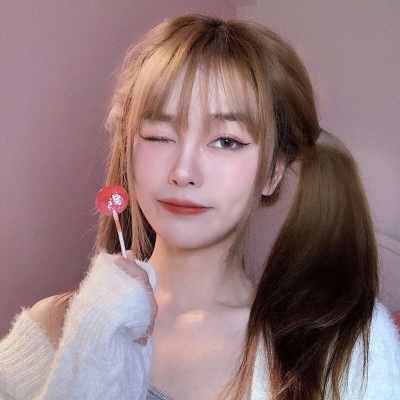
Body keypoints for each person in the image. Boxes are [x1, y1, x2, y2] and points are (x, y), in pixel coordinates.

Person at [1, 14, 399, 400]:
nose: (183, 172)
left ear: (273, 172)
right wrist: (89, 350)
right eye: (159, 135)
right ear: (128, 150)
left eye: (226, 141)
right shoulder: (52, 328)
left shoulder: (344, 348)